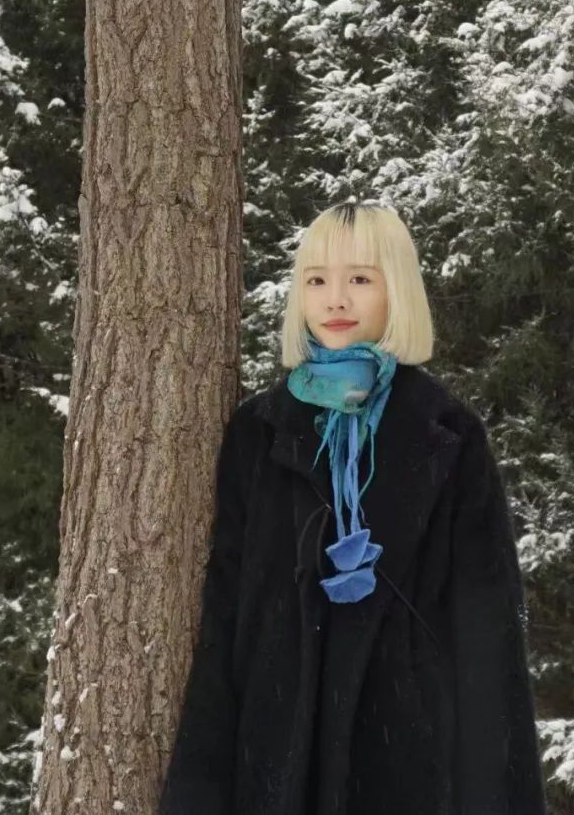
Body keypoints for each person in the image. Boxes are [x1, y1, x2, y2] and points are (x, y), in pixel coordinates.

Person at [159, 200, 548, 815]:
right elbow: (225, 617)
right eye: (317, 281)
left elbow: (488, 631)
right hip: (278, 754)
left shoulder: (448, 435)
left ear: (398, 289)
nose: (335, 300)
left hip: (409, 763)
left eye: (360, 279)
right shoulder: (259, 432)